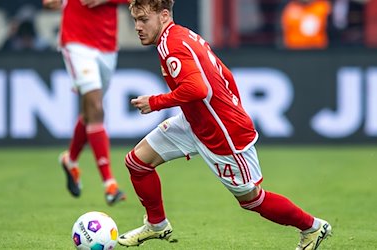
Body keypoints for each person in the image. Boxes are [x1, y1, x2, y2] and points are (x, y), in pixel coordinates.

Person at [118, 0, 332, 249]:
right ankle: (157, 225)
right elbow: (225, 73)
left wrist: (155, 102)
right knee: (137, 162)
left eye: (143, 20)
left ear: (164, 15)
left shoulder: (171, 45)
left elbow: (198, 89)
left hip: (222, 135)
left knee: (252, 200)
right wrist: (233, 104)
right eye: (135, 20)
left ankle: (313, 227)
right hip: (195, 122)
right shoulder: (184, 35)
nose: (138, 27)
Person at [42, 0, 130, 206]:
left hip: (107, 45)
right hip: (77, 41)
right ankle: (110, 185)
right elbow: (49, 2)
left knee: (90, 111)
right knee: (97, 108)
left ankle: (70, 160)